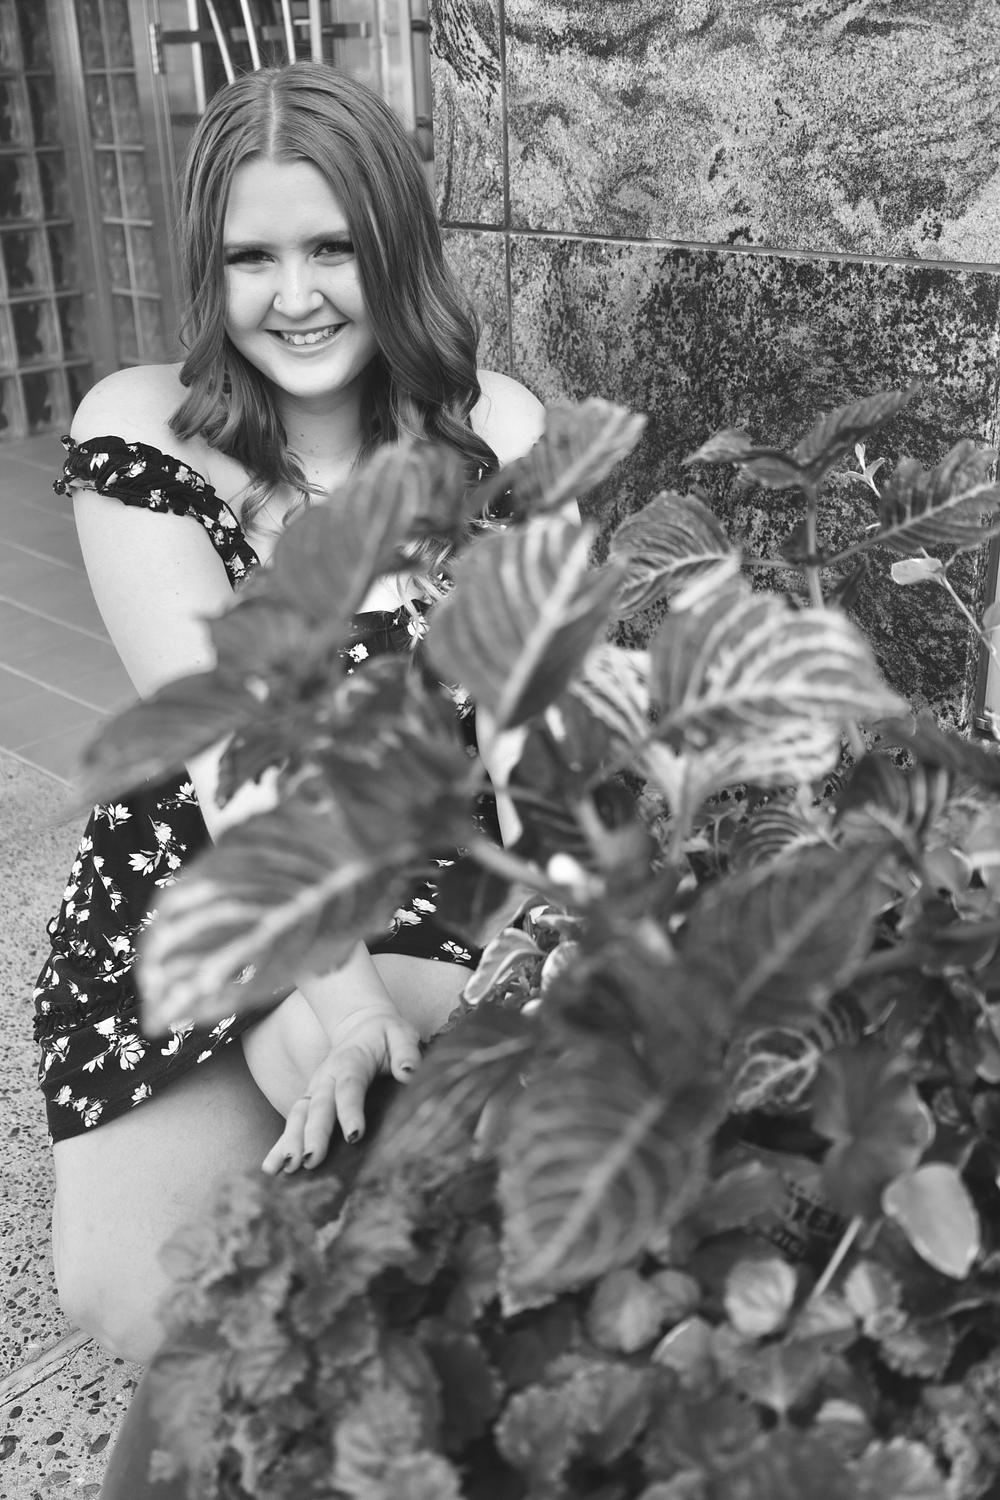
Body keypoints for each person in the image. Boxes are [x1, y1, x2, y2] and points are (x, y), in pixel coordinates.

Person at [32, 60, 545, 1366]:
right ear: (207, 271)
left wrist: (561, 927)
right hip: (208, 872)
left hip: (421, 858)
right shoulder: (141, 430)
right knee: (140, 1301)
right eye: (251, 258)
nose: (296, 296)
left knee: (432, 1216)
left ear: (396, 248)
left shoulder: (495, 432)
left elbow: (531, 732)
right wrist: (349, 1000)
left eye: (333, 248)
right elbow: (231, 756)